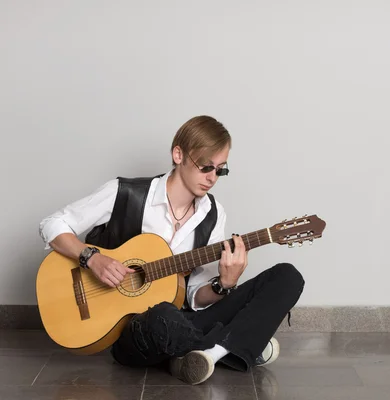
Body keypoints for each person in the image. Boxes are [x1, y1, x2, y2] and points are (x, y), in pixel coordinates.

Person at [38, 115, 305, 385]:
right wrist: (92, 259)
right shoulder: (125, 192)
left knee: (287, 276)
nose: (212, 178)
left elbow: (194, 298)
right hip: (136, 331)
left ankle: (209, 353)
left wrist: (224, 284)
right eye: (205, 166)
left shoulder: (213, 214)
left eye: (220, 170)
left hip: (183, 320)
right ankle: (239, 343)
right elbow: (52, 224)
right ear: (178, 154)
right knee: (161, 316)